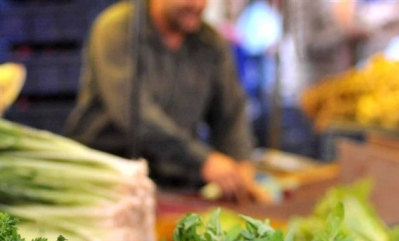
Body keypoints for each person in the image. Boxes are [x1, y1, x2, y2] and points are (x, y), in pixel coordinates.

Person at [65, 0, 270, 202]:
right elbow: (135, 113)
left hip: (171, 178)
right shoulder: (116, 29)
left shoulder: (211, 43)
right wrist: (203, 161)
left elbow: (230, 113)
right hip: (105, 175)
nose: (197, 5)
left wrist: (241, 164)